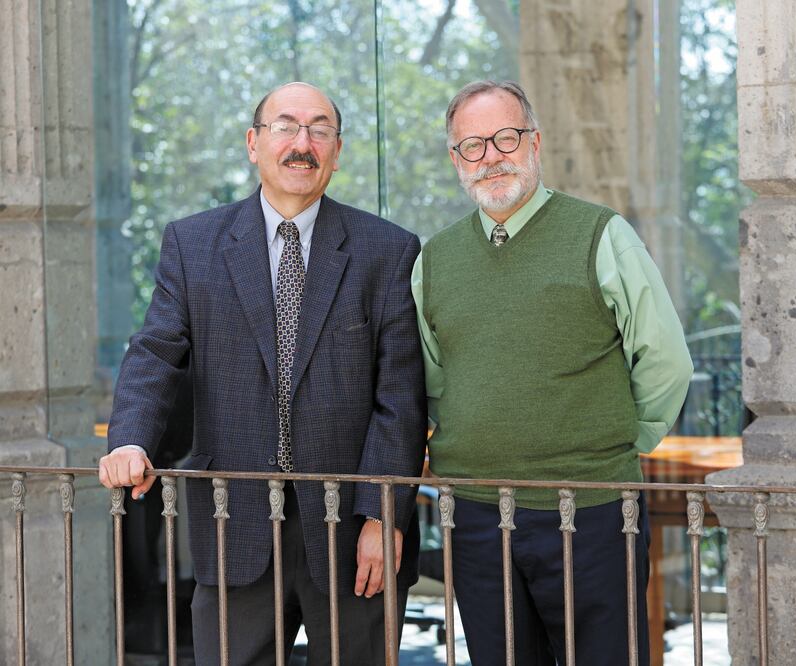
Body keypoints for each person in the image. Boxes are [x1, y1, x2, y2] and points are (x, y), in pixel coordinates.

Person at [98, 82, 427, 665]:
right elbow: (155, 351)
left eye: (319, 129)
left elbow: (399, 397)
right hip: (234, 524)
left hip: (350, 534)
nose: (303, 143)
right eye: (286, 126)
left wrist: (383, 514)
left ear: (337, 149)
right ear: (254, 143)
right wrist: (129, 437)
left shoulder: (389, 250)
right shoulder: (193, 244)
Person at [413, 80, 693, 665]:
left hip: (589, 507)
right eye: (472, 145)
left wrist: (615, 443)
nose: (490, 156)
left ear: (535, 142)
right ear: (455, 160)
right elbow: (435, 380)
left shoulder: (601, 235)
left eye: (505, 138)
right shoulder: (434, 259)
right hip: (475, 512)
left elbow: (665, 360)